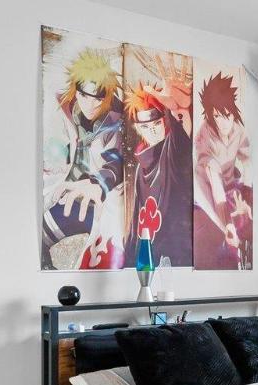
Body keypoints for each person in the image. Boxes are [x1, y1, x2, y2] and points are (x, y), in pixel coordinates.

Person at [44, 48, 124, 269]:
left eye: (98, 99)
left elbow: (116, 161)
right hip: (69, 188)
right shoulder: (67, 106)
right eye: (84, 96)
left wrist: (98, 184)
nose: (90, 105)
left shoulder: (116, 121)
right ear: (76, 91)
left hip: (96, 199)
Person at [122, 61, 194, 268]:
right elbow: (136, 221)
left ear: (164, 121)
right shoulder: (140, 168)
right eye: (146, 126)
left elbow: (181, 142)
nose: (153, 130)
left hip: (176, 255)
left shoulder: (171, 151)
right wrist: (129, 261)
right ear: (138, 129)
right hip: (149, 255)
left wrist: (179, 111)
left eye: (156, 123)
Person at [193, 71, 253, 269]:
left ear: (233, 112)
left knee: (245, 219)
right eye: (217, 116)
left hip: (229, 184)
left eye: (226, 115)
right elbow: (215, 184)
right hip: (206, 188)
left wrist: (247, 196)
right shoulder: (205, 135)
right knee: (222, 229)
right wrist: (227, 224)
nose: (222, 122)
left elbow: (248, 161)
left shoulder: (239, 130)